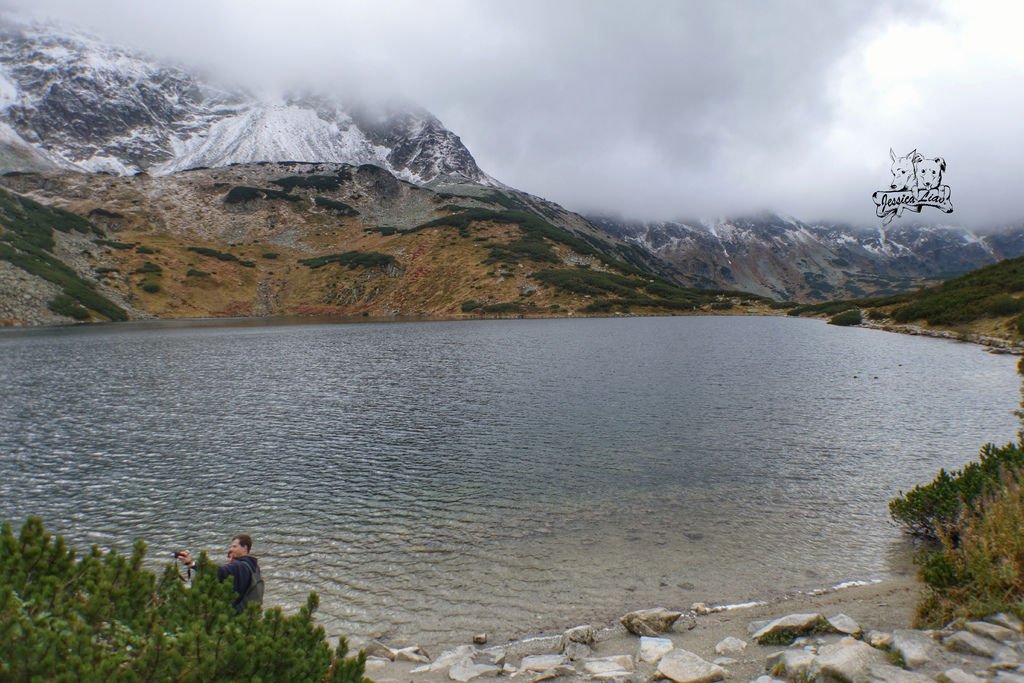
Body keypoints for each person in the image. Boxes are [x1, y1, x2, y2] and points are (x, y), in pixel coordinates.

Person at [178, 534, 262, 613]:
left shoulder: (239, 566)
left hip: (237, 615)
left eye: (234, 546)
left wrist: (191, 564)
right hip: (250, 613)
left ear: (245, 548)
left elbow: (219, 571)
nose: (231, 549)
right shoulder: (254, 565)